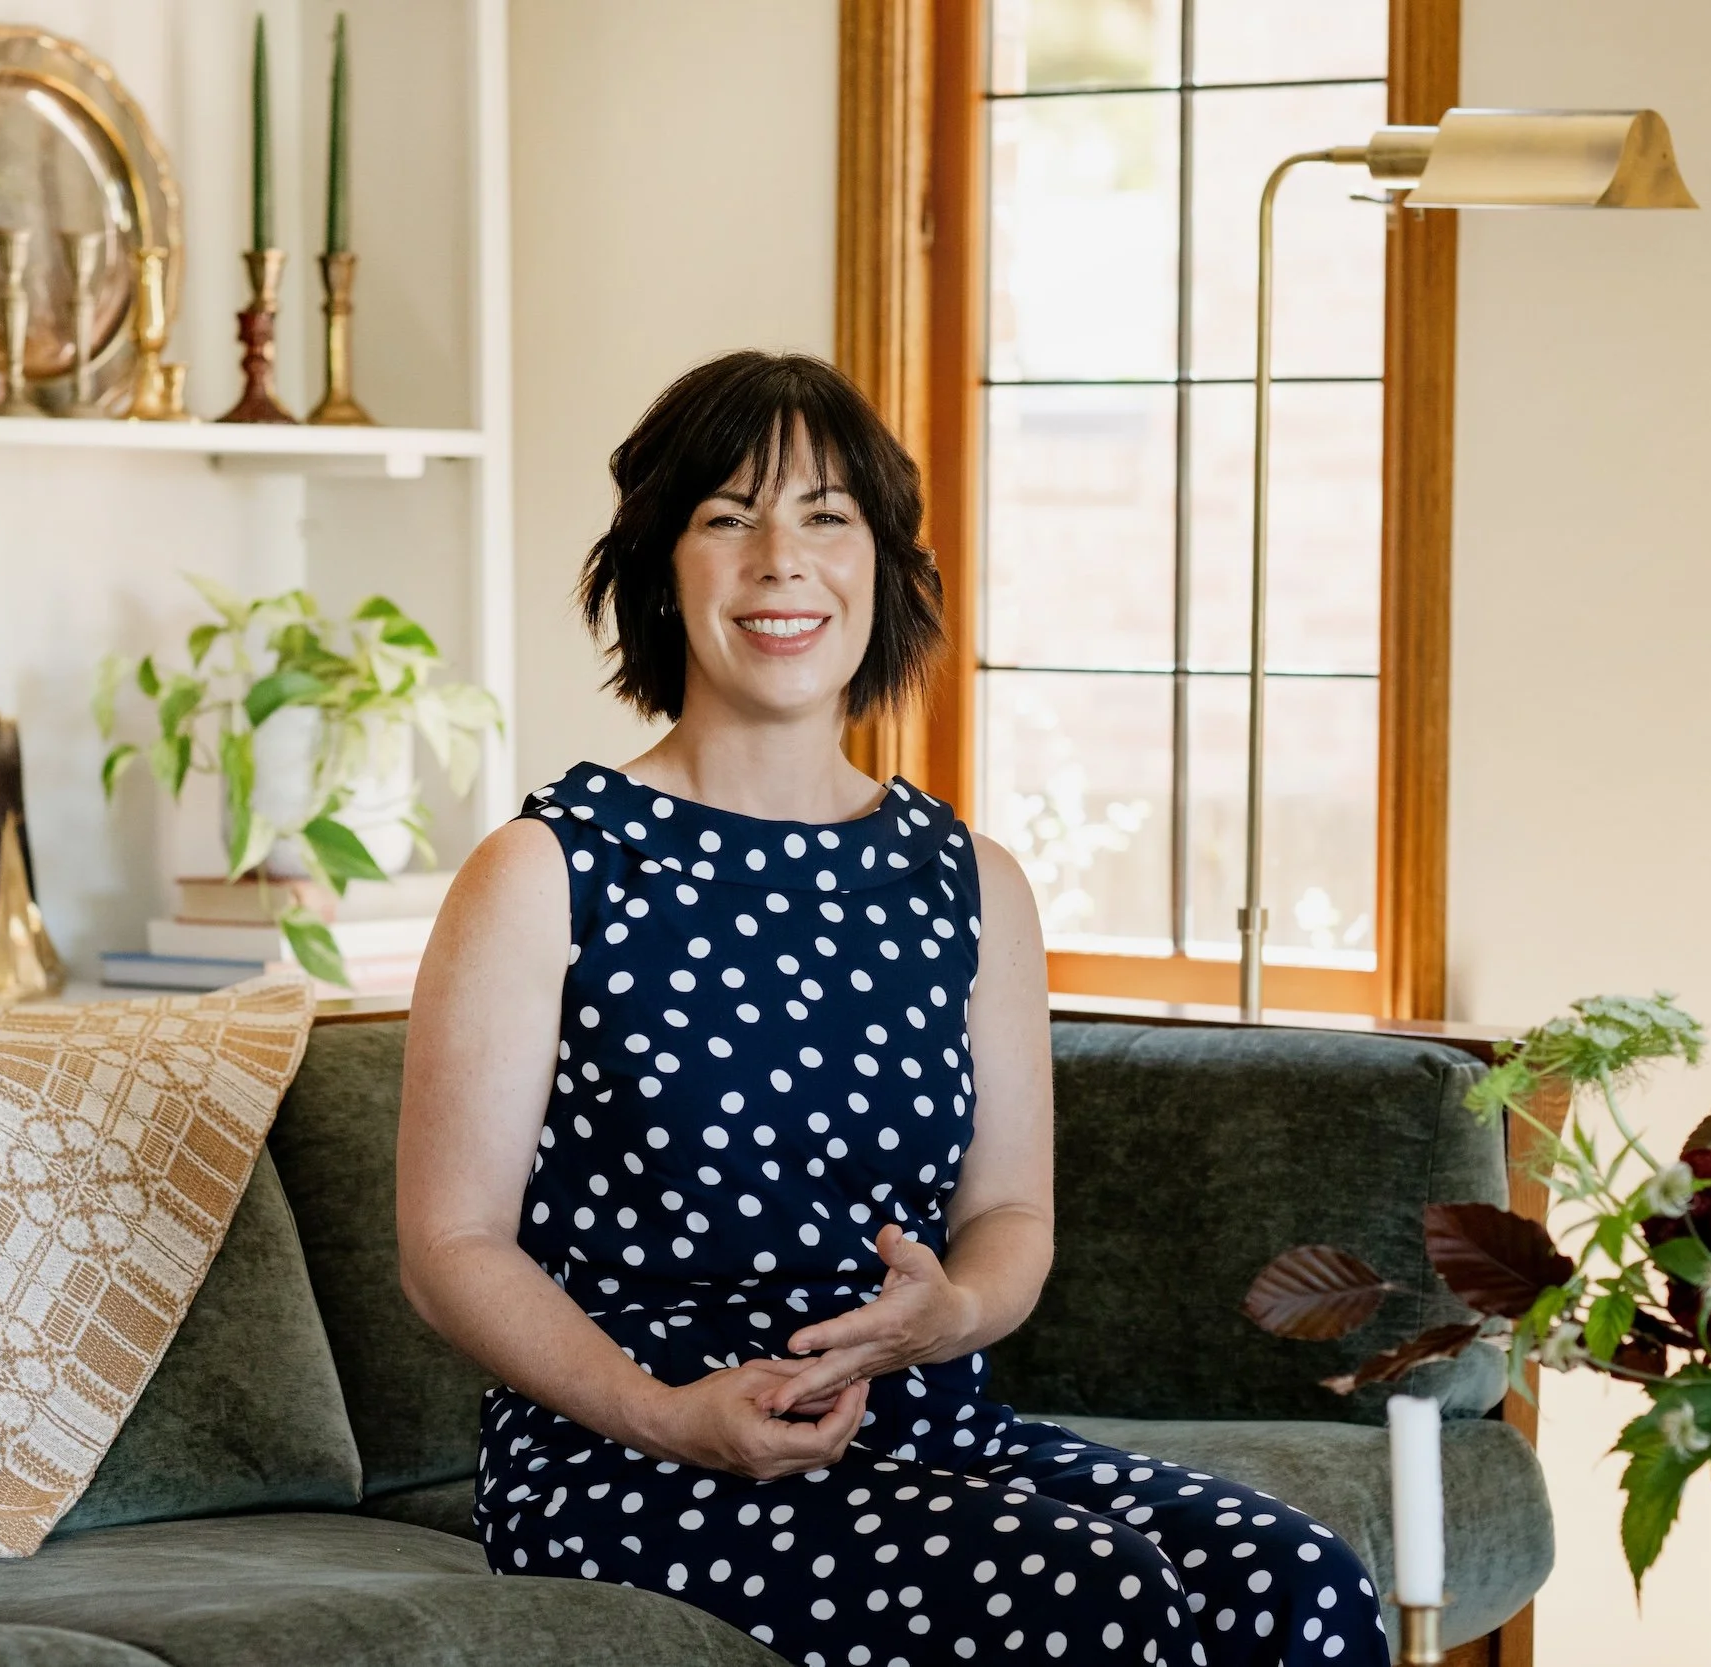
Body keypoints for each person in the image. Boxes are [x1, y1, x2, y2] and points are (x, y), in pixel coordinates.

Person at [398, 351, 1387, 1667]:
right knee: (1087, 1593)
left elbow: (1009, 1219)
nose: (778, 559)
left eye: (825, 515)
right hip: (627, 1460)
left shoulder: (970, 880)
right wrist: (668, 1411)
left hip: (932, 1431)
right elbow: (450, 1243)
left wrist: (951, 1315)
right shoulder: (548, 868)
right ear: (658, 568)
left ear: (884, 566)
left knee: (1299, 1584)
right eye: (726, 516)